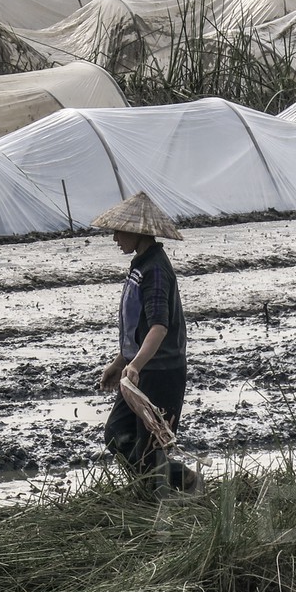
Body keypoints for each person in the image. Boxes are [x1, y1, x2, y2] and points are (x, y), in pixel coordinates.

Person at [91, 191, 195, 490]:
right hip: (139, 369)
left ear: (137, 231)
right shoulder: (141, 265)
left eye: (119, 232)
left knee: (150, 451)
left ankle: (184, 485)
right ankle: (150, 487)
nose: (115, 239)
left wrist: (134, 366)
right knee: (116, 432)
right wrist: (119, 363)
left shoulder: (156, 271)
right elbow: (139, 326)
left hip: (160, 372)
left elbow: (159, 327)